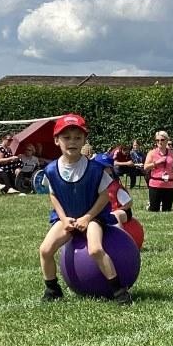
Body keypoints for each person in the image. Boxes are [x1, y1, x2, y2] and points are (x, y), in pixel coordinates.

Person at [39, 113, 132, 305]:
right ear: (56, 140)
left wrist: (88, 217)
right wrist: (63, 219)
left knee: (95, 249)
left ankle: (119, 291)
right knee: (45, 250)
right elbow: (53, 194)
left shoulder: (95, 169)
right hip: (67, 218)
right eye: (66, 137)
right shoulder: (51, 170)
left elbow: (105, 196)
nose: (72, 142)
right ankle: (52, 289)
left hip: (94, 217)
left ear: (84, 140)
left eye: (77, 137)